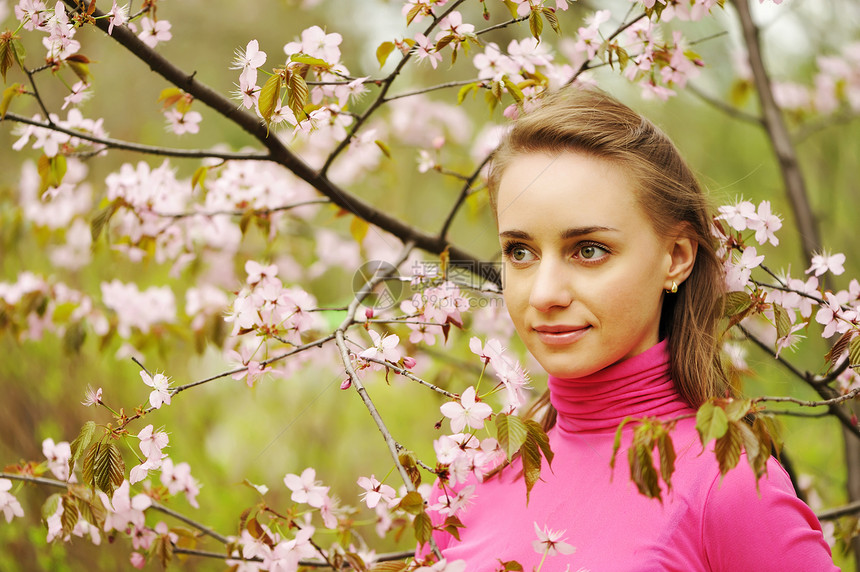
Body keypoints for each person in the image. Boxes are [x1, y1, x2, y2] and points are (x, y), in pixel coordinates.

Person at [422, 88, 838, 570]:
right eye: (520, 252)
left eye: (589, 250)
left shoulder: (726, 486)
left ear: (676, 257)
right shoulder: (469, 474)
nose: (543, 294)